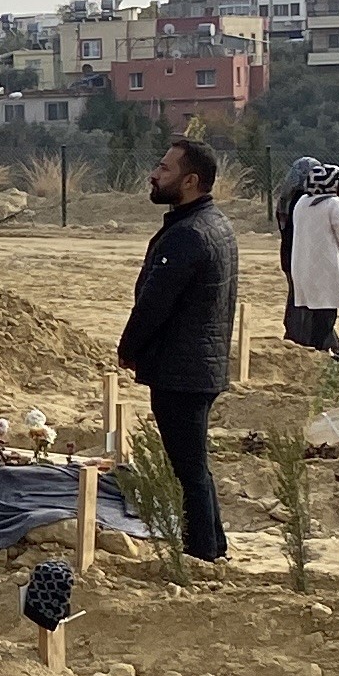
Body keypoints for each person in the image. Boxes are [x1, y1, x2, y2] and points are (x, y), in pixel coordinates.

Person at [115, 137, 237, 564]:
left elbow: (155, 304)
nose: (154, 174)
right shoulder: (212, 223)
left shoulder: (189, 234)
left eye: (165, 170)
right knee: (194, 466)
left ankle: (200, 552)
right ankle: (212, 545)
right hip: (197, 365)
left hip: (183, 369)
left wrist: (128, 348)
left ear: (190, 181)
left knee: (187, 469)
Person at [280, 158, 339, 358]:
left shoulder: (300, 203)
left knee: (306, 307)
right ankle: (323, 351)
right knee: (326, 312)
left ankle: (311, 348)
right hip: (325, 266)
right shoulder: (333, 204)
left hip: (299, 264)